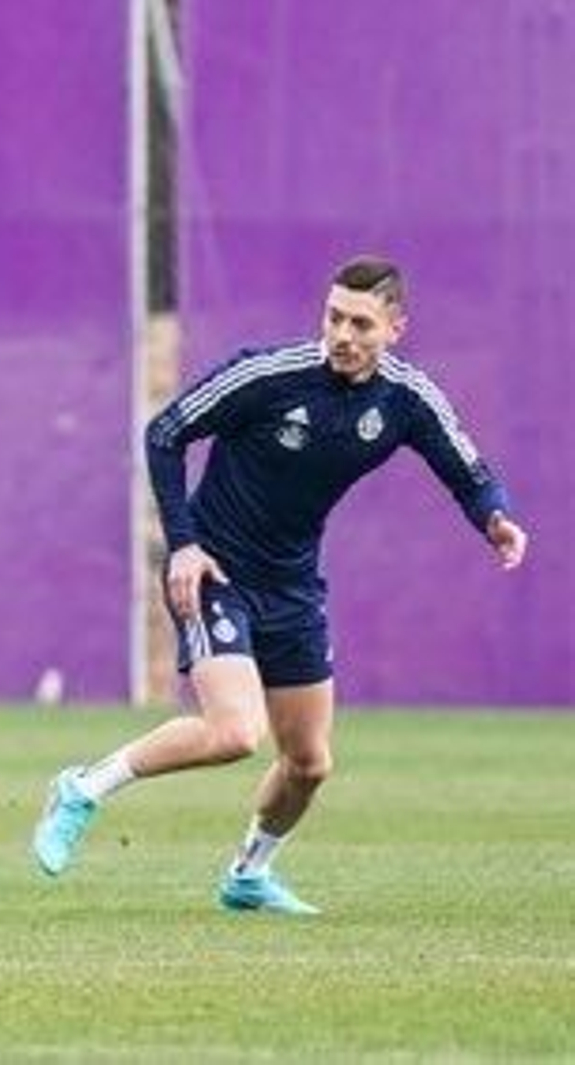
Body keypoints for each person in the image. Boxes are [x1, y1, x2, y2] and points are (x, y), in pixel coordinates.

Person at [32, 255, 528, 914]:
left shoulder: (406, 399)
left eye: (360, 323)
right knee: (236, 732)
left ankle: (247, 874)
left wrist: (494, 518)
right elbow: (164, 433)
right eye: (333, 317)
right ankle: (83, 788)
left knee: (309, 763)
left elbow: (465, 465)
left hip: (292, 586)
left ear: (395, 328)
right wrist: (183, 544)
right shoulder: (268, 375)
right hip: (214, 571)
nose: (343, 335)